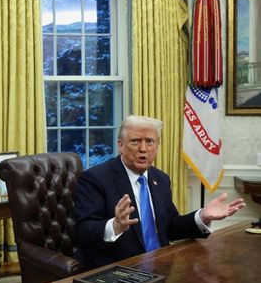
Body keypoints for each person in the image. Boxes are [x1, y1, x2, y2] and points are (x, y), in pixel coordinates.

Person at [73, 115, 245, 270]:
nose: (143, 148)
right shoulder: (95, 178)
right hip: (119, 269)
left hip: (162, 265)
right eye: (135, 141)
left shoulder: (161, 179)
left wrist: (202, 216)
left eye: (150, 141)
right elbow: (82, 231)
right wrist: (115, 226)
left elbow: (170, 227)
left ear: (157, 146)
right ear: (120, 145)